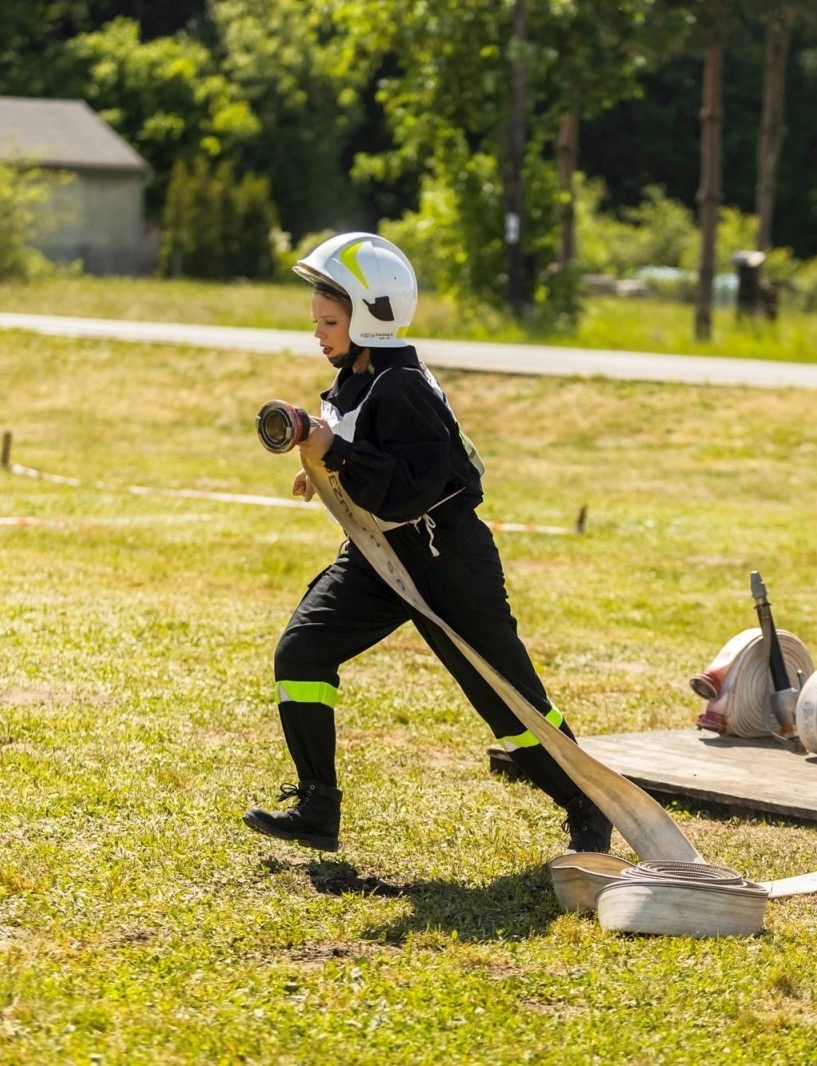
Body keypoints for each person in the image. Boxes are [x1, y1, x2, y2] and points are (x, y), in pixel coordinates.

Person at [242, 232, 612, 855]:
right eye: (317, 321)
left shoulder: (403, 386)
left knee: (506, 700)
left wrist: (339, 454)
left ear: (370, 316)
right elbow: (367, 457)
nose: (318, 334)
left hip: (446, 559)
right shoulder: (357, 376)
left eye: (330, 321)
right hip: (378, 558)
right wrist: (326, 468)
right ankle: (317, 805)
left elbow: (410, 489)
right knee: (301, 653)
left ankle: (587, 804)